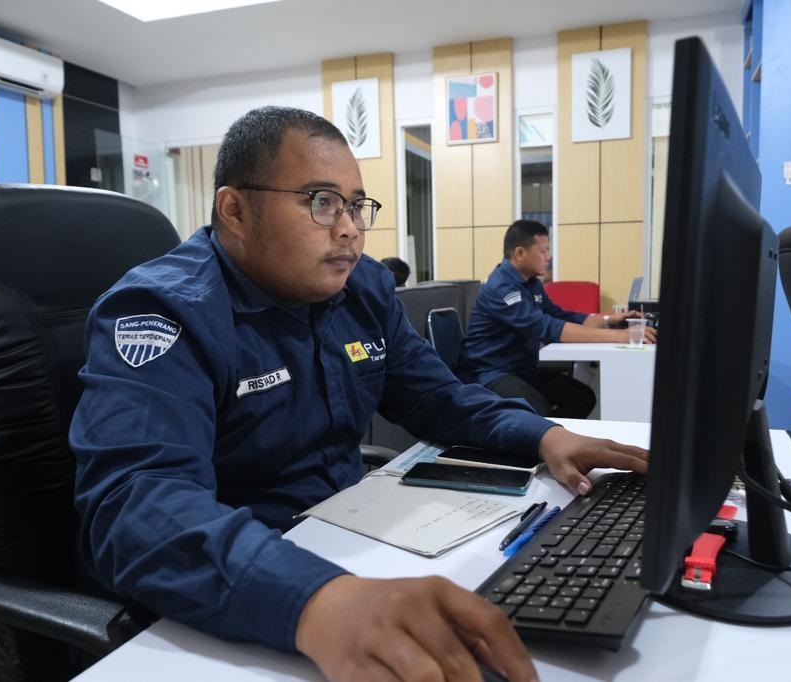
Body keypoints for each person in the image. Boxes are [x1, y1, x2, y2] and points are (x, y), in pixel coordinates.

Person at [70, 106, 650, 682]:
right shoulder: (164, 310)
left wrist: (545, 435)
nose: (349, 227)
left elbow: (438, 397)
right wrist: (318, 600)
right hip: (238, 586)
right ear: (236, 210)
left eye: (356, 205)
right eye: (321, 202)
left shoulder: (363, 288)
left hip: (348, 536)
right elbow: (138, 506)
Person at [458, 220, 656, 419]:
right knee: (540, 410)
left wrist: (609, 321)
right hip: (489, 372)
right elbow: (546, 327)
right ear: (520, 253)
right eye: (543, 251)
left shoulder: (531, 283)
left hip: (521, 368)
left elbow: (559, 316)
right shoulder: (502, 288)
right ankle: (540, 435)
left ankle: (550, 434)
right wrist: (621, 337)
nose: (549, 257)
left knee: (582, 398)